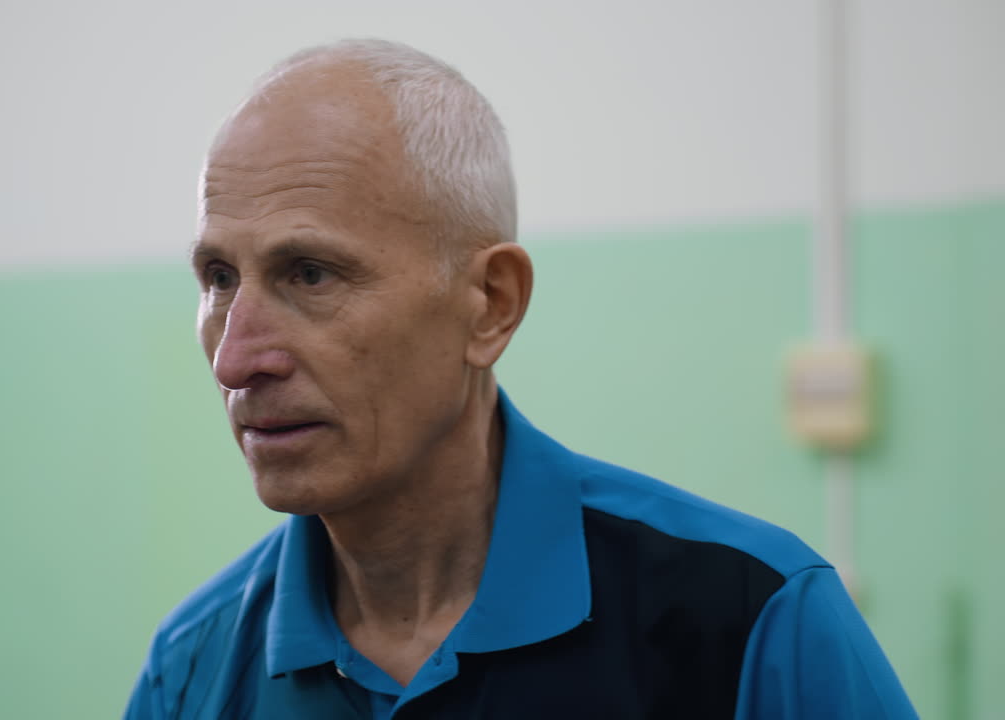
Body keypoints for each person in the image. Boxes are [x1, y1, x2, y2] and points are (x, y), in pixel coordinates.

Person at [124, 39, 916, 719]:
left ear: (490, 306)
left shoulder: (750, 620)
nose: (236, 358)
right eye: (219, 276)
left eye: (310, 274)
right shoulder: (192, 670)